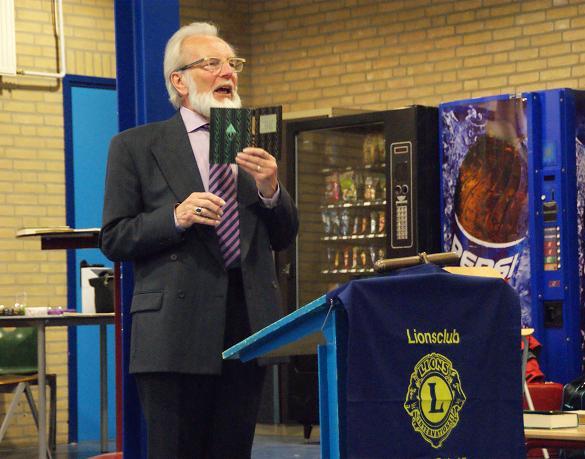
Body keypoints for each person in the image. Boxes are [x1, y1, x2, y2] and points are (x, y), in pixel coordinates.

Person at [99, 21, 298, 458]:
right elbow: (114, 237)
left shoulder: (247, 142)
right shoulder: (136, 146)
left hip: (245, 325)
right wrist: (175, 217)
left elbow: (283, 236)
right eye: (212, 63)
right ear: (179, 81)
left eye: (232, 64)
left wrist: (271, 190)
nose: (228, 72)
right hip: (174, 331)